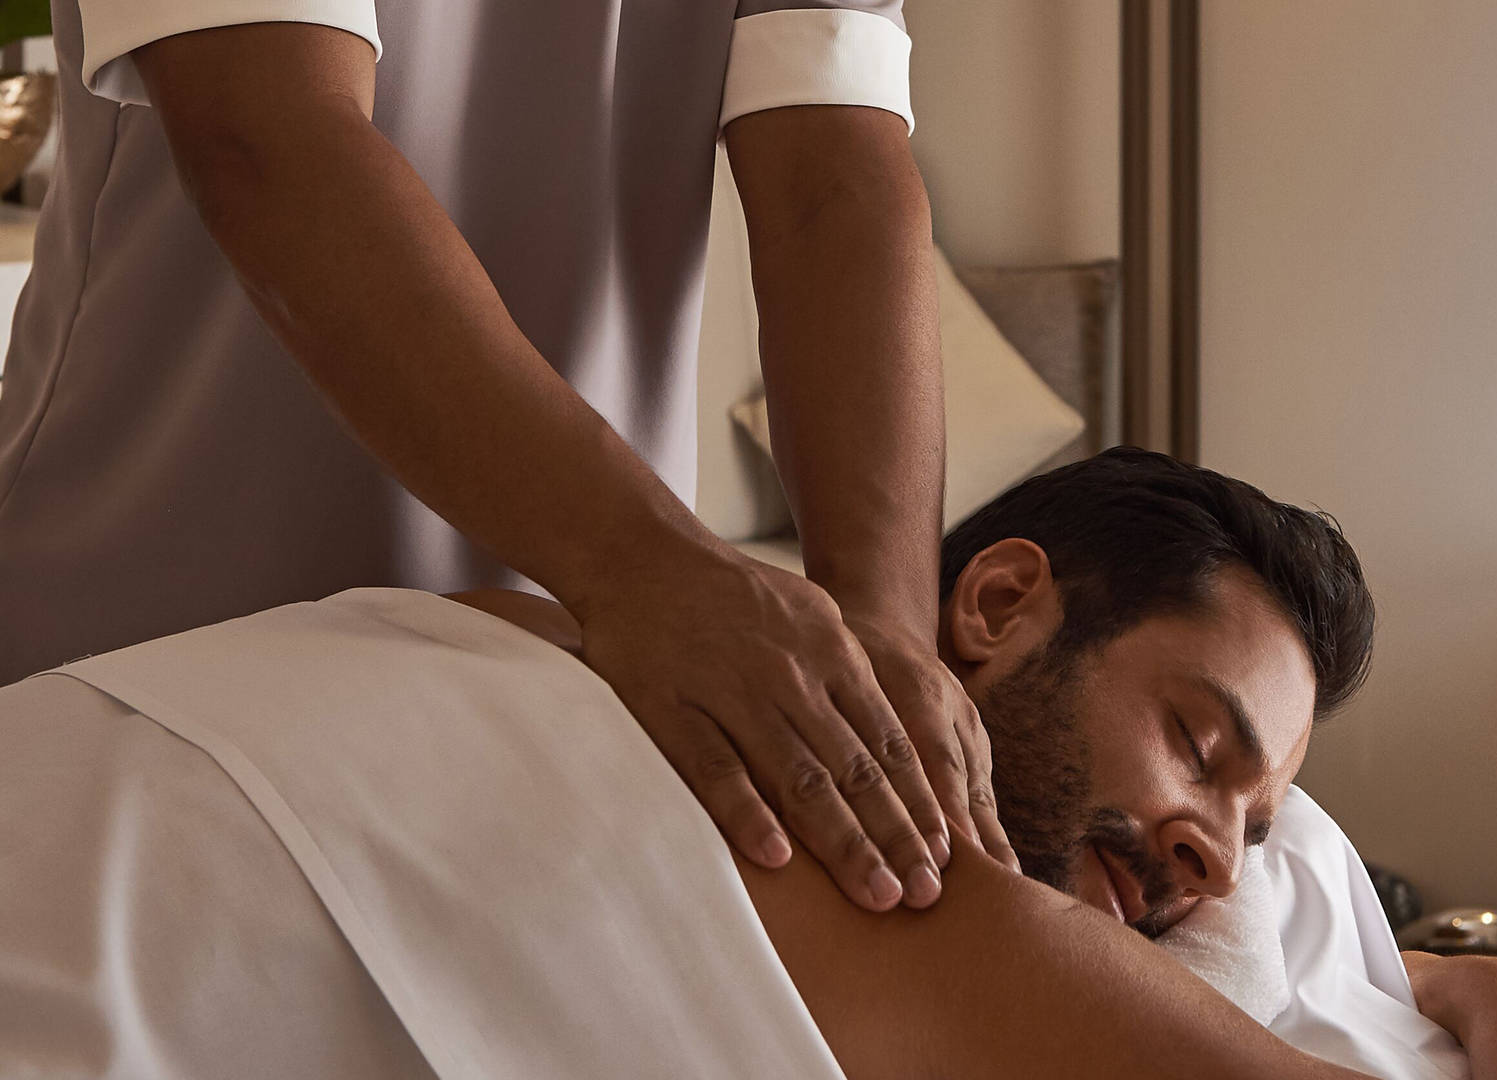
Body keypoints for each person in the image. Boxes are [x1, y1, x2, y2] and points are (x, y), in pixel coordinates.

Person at [0, 448, 1497, 1078]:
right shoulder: (881, 837)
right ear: (998, 604)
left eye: (1258, 822)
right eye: (1196, 745)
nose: (1221, 852)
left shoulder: (561, 632)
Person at [0, 1, 1012, 911]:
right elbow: (264, 135)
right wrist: (650, 568)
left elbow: (833, 178)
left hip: (562, 684)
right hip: (153, 635)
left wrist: (880, 635)